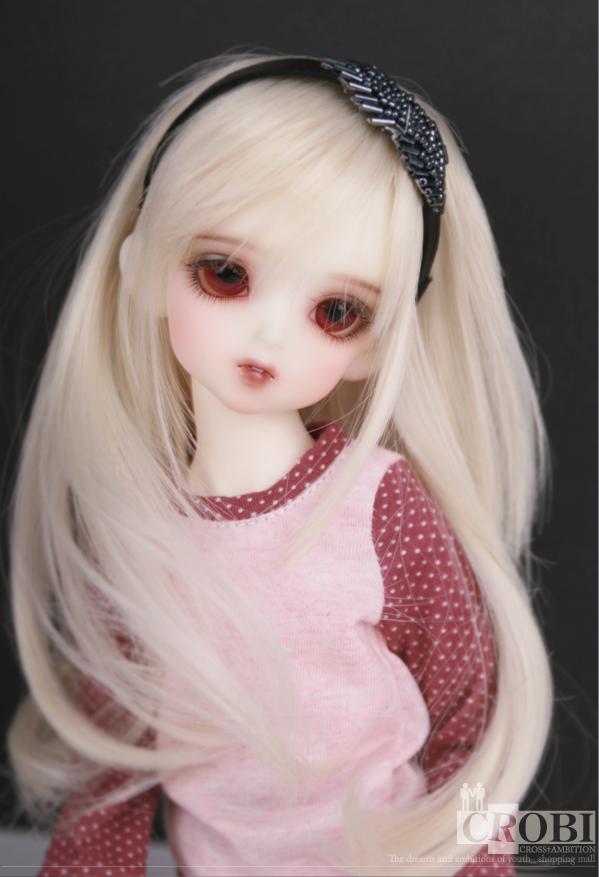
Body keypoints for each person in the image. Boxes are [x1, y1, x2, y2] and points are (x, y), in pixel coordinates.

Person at [6, 48, 553, 876]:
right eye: (225, 274)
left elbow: (465, 732)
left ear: (374, 344)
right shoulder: (136, 536)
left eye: (335, 311)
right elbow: (110, 774)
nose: (267, 335)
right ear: (139, 268)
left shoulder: (378, 511)